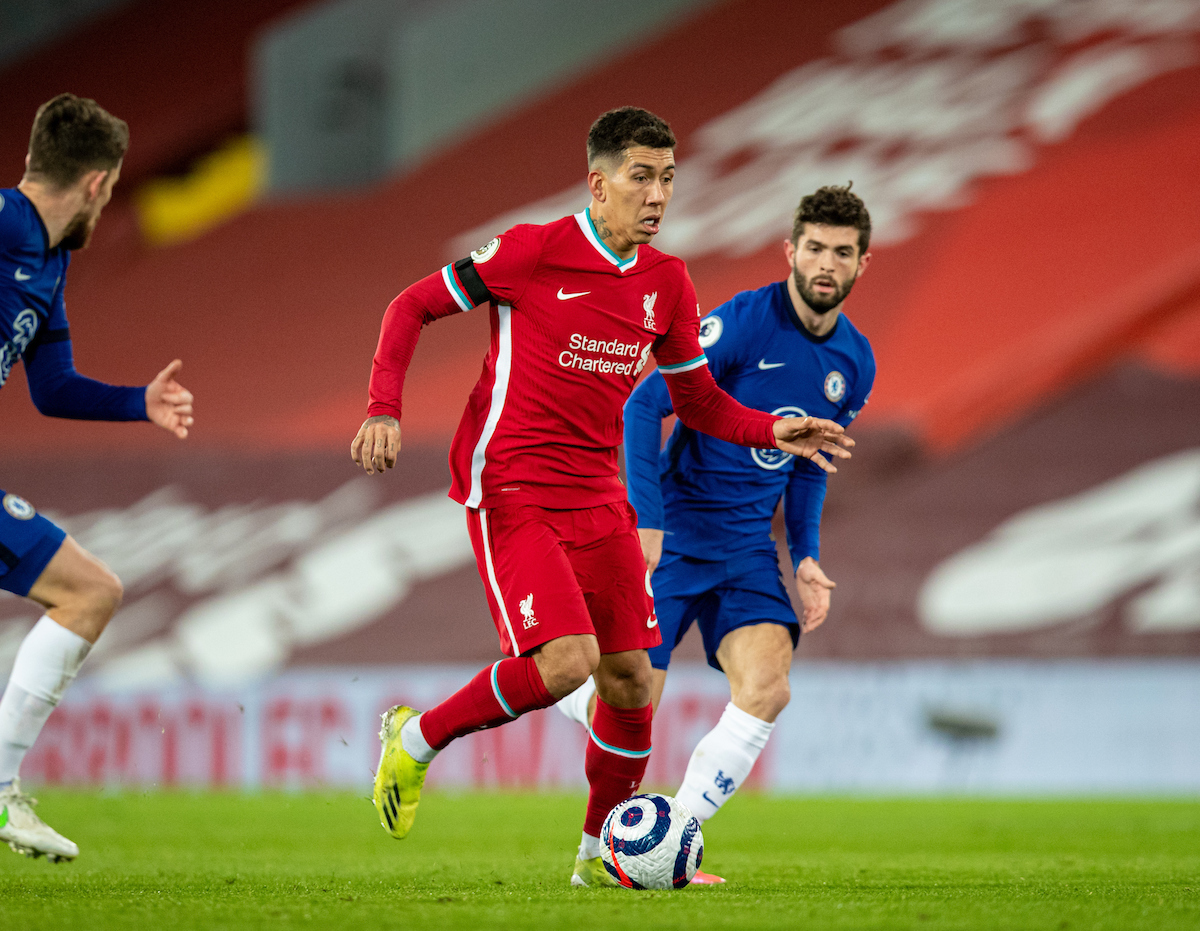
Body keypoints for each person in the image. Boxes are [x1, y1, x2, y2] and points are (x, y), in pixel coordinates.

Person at [351, 107, 854, 886]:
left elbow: (700, 405)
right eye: (641, 177)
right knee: (564, 661)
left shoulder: (667, 283)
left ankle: (596, 863)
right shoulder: (532, 251)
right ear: (599, 182)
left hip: (598, 493)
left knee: (628, 687)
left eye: (668, 179)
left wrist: (771, 429)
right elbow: (409, 306)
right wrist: (385, 406)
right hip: (511, 481)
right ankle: (415, 740)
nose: (658, 195)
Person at [556, 184, 876, 884]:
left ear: (861, 264)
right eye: (816, 247)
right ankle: (571, 688)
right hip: (676, 536)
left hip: (745, 554)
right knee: (632, 700)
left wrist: (809, 555)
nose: (827, 263)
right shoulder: (739, 327)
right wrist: (647, 522)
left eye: (842, 252)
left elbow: (810, 465)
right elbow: (644, 406)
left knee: (768, 686)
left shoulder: (856, 363)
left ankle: (664, 840)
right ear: (790, 251)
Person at [0, 94, 194, 861]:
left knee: (90, 589)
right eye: (111, 191)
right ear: (95, 183)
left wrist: (136, 403)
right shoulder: (5, 222)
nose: (107, 204)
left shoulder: (49, 259)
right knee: (90, 590)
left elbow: (52, 388)